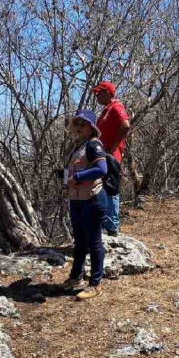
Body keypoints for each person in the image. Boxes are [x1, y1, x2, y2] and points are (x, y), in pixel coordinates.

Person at [61, 110, 109, 300]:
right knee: (79, 241)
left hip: (92, 200)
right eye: (78, 124)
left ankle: (96, 283)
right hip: (77, 200)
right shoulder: (77, 146)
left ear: (91, 127)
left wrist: (78, 177)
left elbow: (101, 169)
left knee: (94, 242)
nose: (80, 127)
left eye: (84, 124)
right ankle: (75, 277)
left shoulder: (93, 144)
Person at [93, 81, 130, 236]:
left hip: (110, 156)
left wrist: (113, 147)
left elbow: (125, 125)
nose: (96, 96)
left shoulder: (116, 107)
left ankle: (112, 225)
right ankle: (105, 223)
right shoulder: (106, 110)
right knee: (102, 188)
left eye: (99, 92)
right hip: (102, 155)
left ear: (107, 92)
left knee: (110, 188)